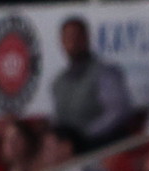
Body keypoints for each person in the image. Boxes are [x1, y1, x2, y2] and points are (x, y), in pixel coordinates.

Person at [52, 15, 133, 148]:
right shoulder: (58, 81)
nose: (72, 42)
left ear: (86, 38)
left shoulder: (104, 73)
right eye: (67, 38)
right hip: (69, 150)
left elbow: (118, 111)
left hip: (100, 146)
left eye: (77, 37)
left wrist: (85, 135)